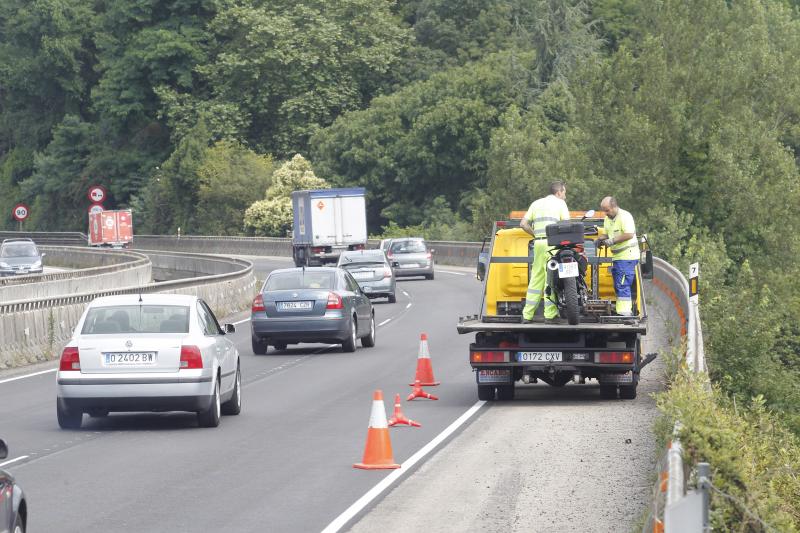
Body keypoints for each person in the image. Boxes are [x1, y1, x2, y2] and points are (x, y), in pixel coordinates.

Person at [520, 181, 570, 323]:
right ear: (558, 192)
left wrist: (535, 234)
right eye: (564, 193)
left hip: (538, 243)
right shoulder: (560, 204)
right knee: (551, 278)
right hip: (552, 244)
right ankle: (550, 315)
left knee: (536, 278)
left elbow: (523, 224)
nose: (565, 196)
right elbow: (566, 226)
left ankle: (527, 315)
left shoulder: (536, 203)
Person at [599, 196, 640, 316]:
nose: (605, 213)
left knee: (622, 283)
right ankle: (621, 311)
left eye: (607, 210)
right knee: (618, 284)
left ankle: (624, 313)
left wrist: (612, 241)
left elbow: (629, 234)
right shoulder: (608, 219)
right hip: (618, 257)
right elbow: (606, 234)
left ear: (614, 206)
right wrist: (599, 239)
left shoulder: (625, 216)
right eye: (604, 210)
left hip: (628, 256)